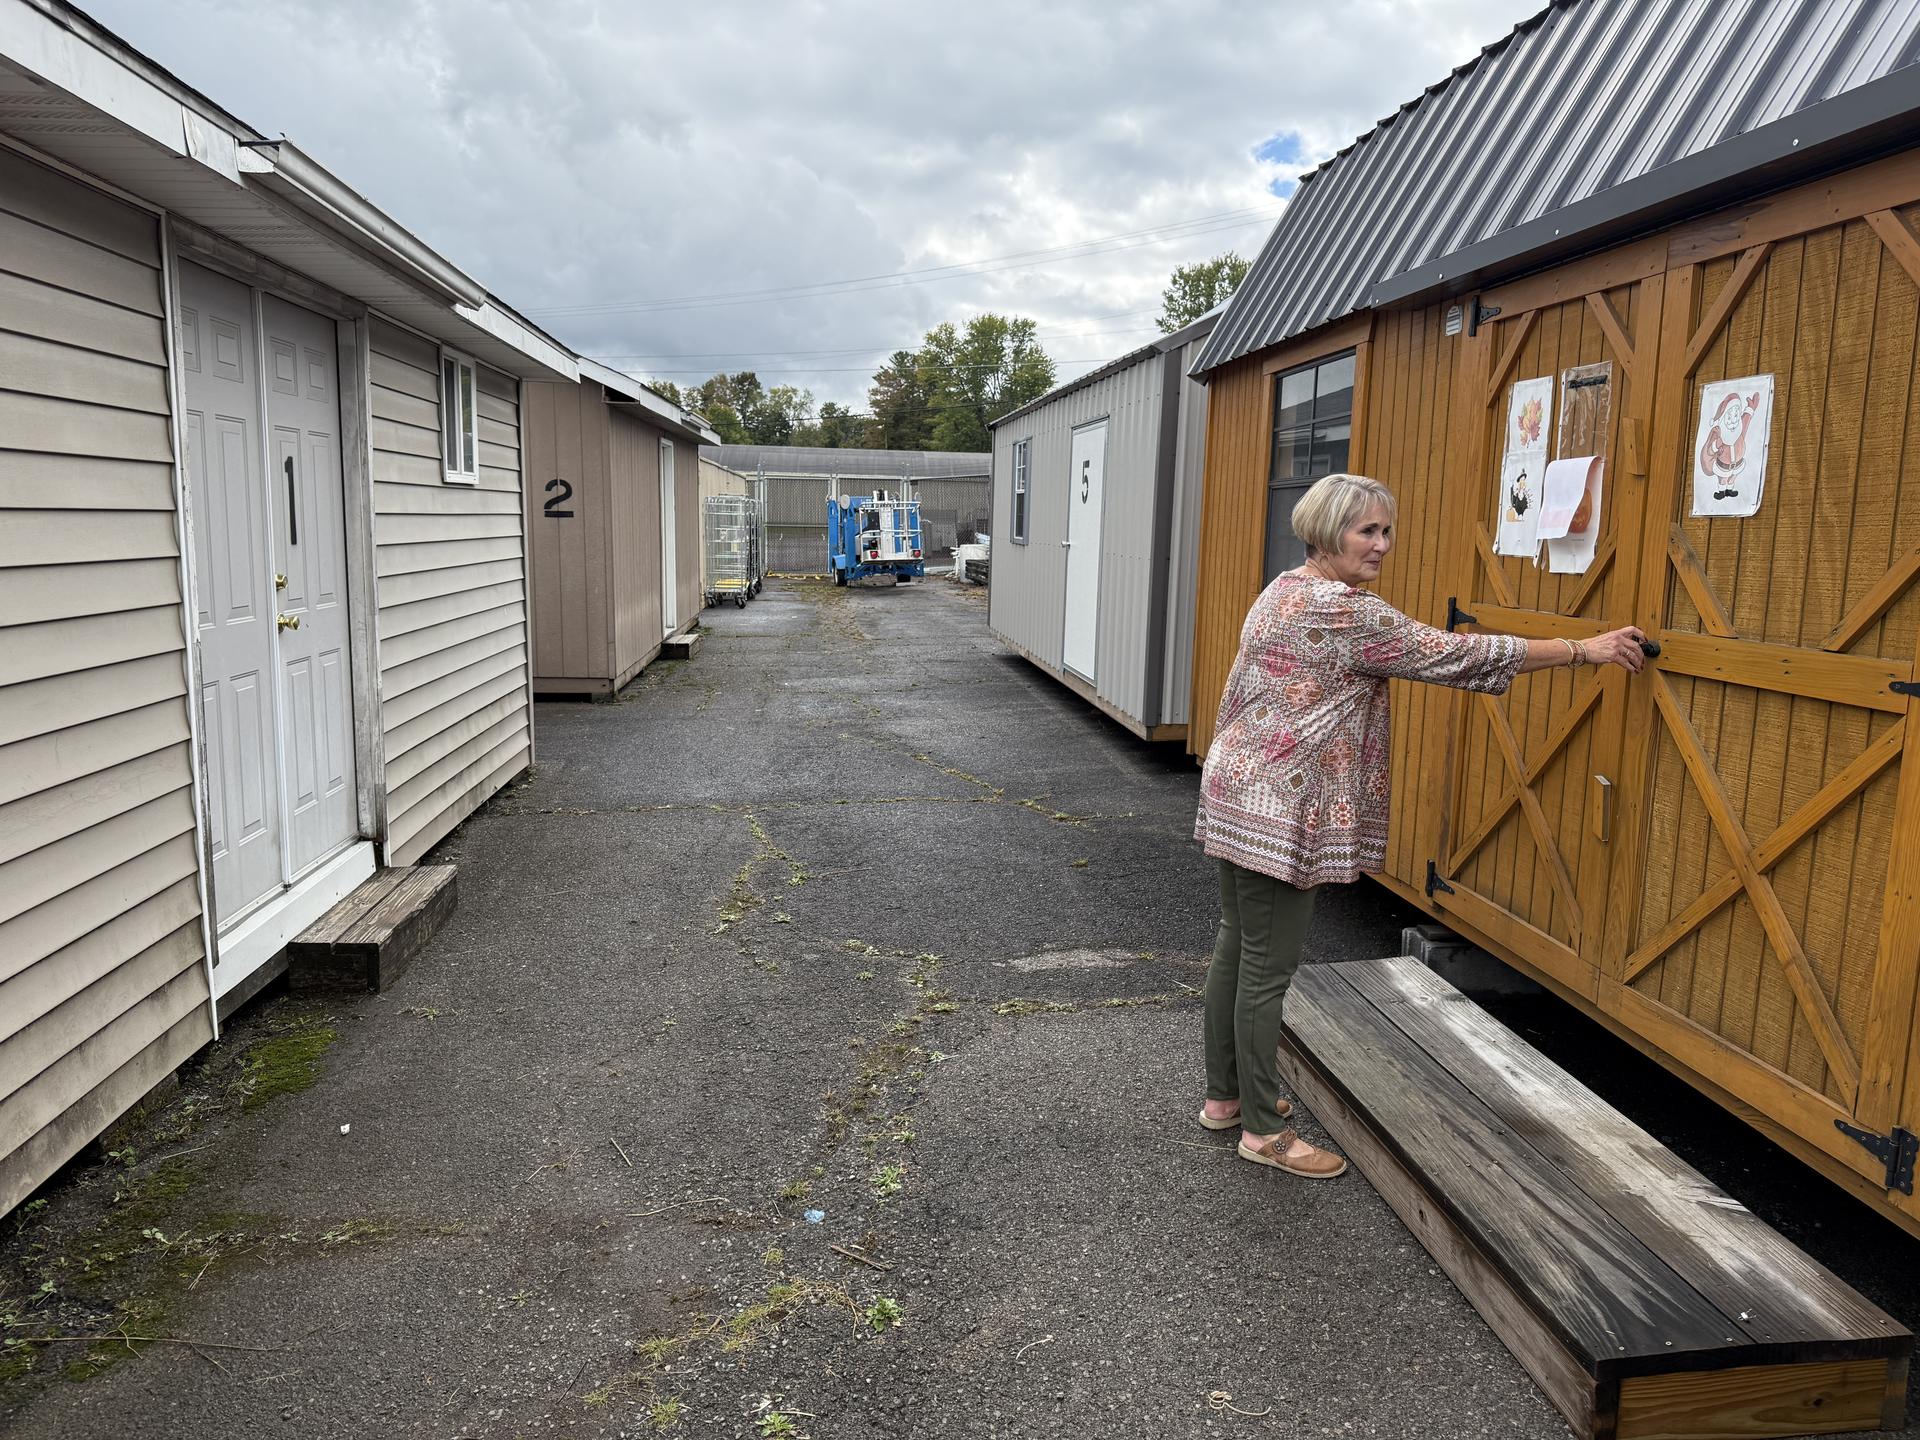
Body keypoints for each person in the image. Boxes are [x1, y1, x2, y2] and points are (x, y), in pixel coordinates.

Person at [1193, 472, 1648, 1177]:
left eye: (1386, 530)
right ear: (1326, 532)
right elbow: (1456, 655)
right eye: (1366, 531)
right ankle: (1260, 1129)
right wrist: (1584, 649)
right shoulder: (1346, 612)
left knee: (1238, 947)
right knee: (1266, 967)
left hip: (1237, 788)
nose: (1382, 545)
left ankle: (1227, 1098)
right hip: (1280, 803)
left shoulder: (1284, 588)